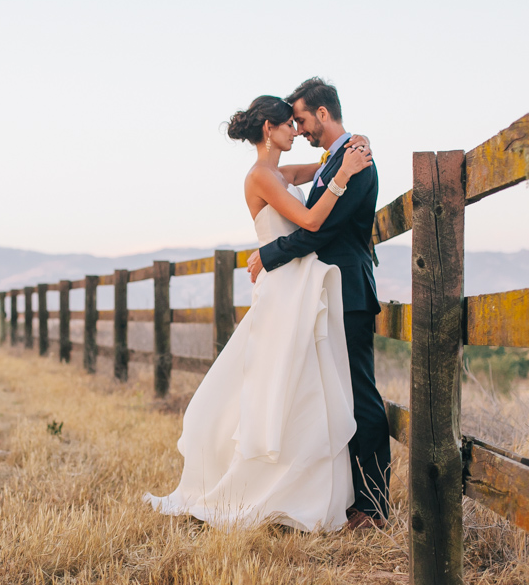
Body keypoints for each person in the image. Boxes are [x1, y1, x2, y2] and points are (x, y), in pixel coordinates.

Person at [144, 94, 373, 531]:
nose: (296, 131)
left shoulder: (279, 172)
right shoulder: (260, 177)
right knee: (276, 385)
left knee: (303, 388)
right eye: (289, 124)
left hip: (299, 287)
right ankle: (254, 486)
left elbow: (318, 168)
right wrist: (344, 174)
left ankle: (300, 485)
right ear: (269, 129)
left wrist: (347, 148)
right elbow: (309, 221)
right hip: (284, 290)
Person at [246, 78, 390, 531]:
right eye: (292, 123)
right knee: (334, 395)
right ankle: (348, 497)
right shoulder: (336, 160)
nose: (301, 129)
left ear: (323, 115)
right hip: (324, 293)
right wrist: (334, 165)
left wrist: (270, 255)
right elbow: (307, 183)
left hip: (347, 292)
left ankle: (375, 506)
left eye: (304, 120)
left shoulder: (357, 162)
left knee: (360, 396)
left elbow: (319, 231)